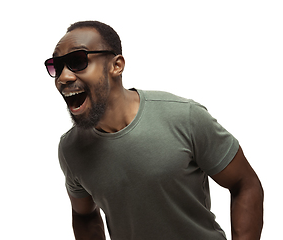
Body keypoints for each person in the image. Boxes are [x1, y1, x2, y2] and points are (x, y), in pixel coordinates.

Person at [44, 20, 264, 240]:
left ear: (116, 65)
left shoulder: (184, 117)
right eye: (57, 66)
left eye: (77, 61)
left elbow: (245, 184)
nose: (63, 77)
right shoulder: (71, 149)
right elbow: (83, 214)